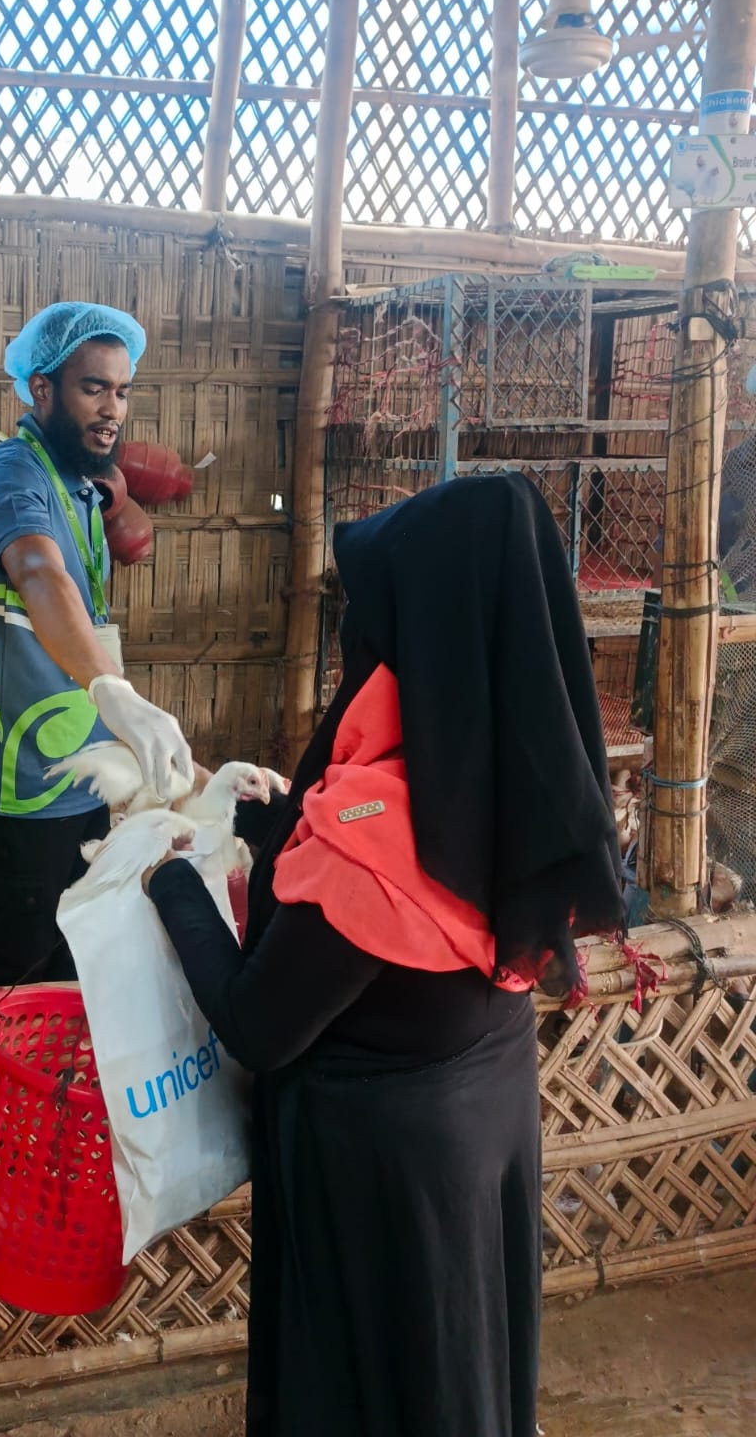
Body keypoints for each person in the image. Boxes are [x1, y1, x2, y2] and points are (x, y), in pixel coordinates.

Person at [143, 474, 624, 1437]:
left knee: (377, 1393)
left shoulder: (372, 841)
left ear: (414, 632)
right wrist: (279, 821)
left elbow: (259, 1026)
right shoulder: (515, 791)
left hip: (380, 1188)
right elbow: (420, 886)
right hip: (479, 1131)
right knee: (455, 1375)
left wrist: (171, 886)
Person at [0, 301, 192, 987]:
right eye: (93, 388)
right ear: (43, 389)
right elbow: (38, 572)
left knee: (72, 949)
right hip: (23, 771)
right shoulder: (10, 474)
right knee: (20, 967)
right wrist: (114, 691)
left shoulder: (79, 486)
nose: (112, 409)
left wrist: (113, 715)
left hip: (76, 752)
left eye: (122, 391)